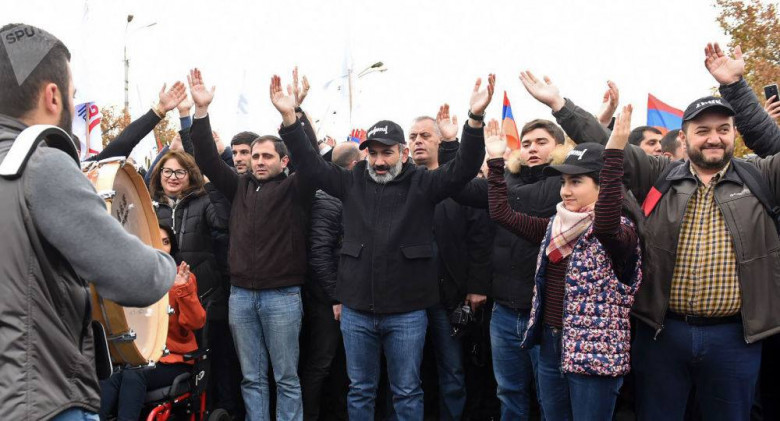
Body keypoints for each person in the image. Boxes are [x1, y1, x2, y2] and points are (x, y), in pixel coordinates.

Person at [272, 72, 494, 420]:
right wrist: (290, 118)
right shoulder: (351, 182)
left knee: (407, 391)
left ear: (403, 153)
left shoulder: (423, 183)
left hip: (407, 313)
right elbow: (311, 165)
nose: (379, 161)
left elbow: (463, 170)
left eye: (387, 153)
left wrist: (475, 120)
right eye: (373, 153)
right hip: (357, 312)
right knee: (360, 390)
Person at [0, 23, 175, 420]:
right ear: (53, 96)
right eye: (72, 94)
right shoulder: (39, 165)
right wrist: (163, 260)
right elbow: (136, 277)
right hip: (41, 400)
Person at [625, 43, 780, 421]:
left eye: (724, 129)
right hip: (662, 334)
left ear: (735, 134)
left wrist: (736, 87)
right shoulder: (661, 175)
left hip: (736, 338)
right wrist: (561, 106)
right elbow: (611, 155)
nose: (714, 138)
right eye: (703, 130)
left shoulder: (761, 176)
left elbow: (774, 144)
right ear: (684, 137)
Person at [487, 107, 642, 420]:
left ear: (602, 186)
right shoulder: (554, 227)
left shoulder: (620, 231)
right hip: (551, 345)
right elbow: (502, 214)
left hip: (594, 355)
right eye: (564, 182)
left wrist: (614, 153)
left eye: (576, 182)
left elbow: (605, 226)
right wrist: (494, 161)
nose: (566, 191)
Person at [188, 68, 317, 421]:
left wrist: (291, 116)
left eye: (266, 156)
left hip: (282, 297)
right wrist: (201, 111)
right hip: (241, 297)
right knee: (252, 378)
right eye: (255, 156)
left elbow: (310, 160)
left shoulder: (296, 190)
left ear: (283, 161)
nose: (258, 162)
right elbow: (207, 159)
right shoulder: (239, 186)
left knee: (286, 378)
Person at [408, 112, 492, 420]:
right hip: (407, 301)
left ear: (439, 142)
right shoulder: (401, 186)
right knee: (407, 373)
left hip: (449, 298)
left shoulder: (463, 187)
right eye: (413, 137)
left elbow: (480, 239)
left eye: (425, 136)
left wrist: (477, 287)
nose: (418, 141)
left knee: (453, 370)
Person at [99, 226, 206, 421]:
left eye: (165, 242)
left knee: (133, 375)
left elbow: (196, 322)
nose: (160, 246)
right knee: (110, 377)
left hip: (173, 360)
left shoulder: (182, 277)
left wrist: (182, 288)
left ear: (171, 247)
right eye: (154, 240)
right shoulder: (133, 278)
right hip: (138, 358)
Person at [300, 142, 360, 421]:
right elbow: (320, 253)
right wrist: (335, 296)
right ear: (354, 165)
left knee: (341, 365)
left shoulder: (344, 195)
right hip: (328, 300)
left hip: (343, 296)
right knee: (321, 363)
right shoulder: (328, 199)